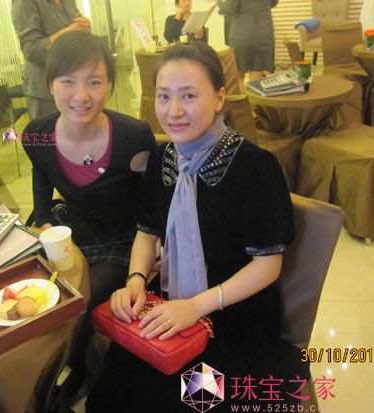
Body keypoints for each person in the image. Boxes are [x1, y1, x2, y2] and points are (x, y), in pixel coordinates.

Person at [86, 42, 308, 412]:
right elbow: (146, 232)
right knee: (114, 391)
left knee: (188, 401)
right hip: (169, 299)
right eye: (164, 96)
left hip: (234, 316)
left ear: (219, 98)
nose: (173, 111)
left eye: (188, 96)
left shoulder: (255, 167)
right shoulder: (162, 159)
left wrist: (194, 307)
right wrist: (136, 281)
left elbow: (268, 264)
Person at [21, 31, 156, 407]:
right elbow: (41, 189)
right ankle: (60, 370)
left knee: (80, 296)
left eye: (94, 82)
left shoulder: (133, 136)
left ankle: (76, 374)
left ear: (110, 84)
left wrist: (156, 243)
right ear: (50, 84)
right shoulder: (38, 137)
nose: (81, 96)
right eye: (68, 82)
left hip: (124, 239)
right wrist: (45, 224)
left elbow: (152, 202)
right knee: (36, 295)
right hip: (73, 235)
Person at [11, 0, 91, 120]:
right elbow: (32, 50)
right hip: (45, 91)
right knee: (49, 130)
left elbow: (76, 29)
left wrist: (84, 28)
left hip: (73, 83)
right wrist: (70, 31)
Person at [219, 0, 276, 91]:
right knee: (256, 76)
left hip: (243, 33)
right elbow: (273, 2)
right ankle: (252, 98)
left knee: (238, 75)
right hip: (264, 32)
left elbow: (229, 8)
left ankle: (244, 99)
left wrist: (218, 2)